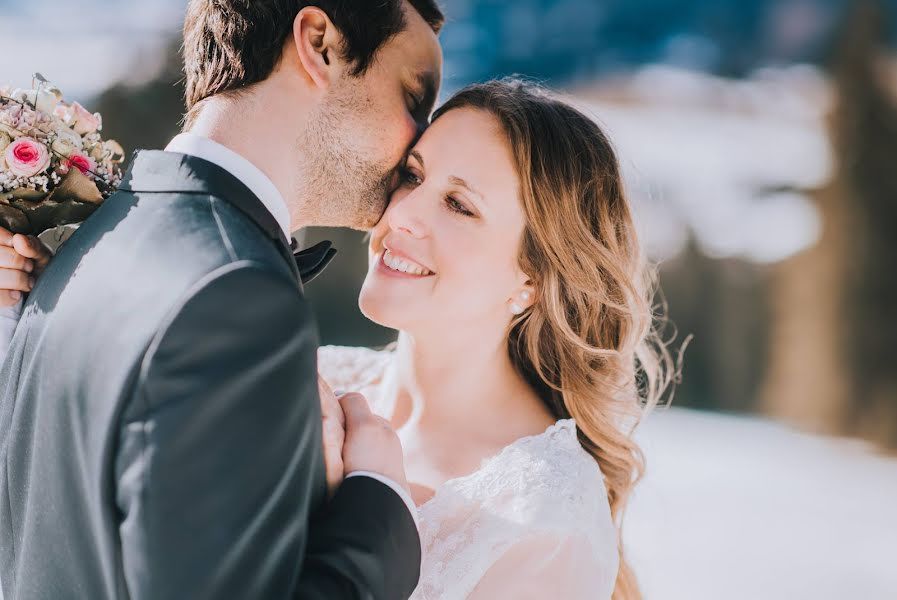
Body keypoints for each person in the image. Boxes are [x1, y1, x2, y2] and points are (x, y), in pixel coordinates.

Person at [1, 75, 678, 597]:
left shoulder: (542, 517)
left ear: (532, 277)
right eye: (412, 176)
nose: (401, 213)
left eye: (458, 204)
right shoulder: (318, 375)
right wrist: (58, 307)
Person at [0, 1, 444, 599]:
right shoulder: (232, 290)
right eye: (415, 99)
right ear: (319, 44)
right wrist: (378, 501)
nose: (422, 141)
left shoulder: (87, 244)